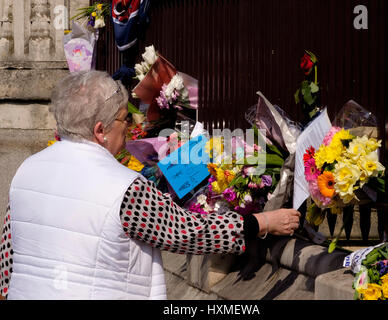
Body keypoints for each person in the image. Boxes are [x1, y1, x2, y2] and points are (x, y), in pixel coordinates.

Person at [0, 70, 300, 300]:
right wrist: (261, 222)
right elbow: (188, 232)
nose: (130, 127)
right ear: (100, 130)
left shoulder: (27, 170)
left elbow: (7, 259)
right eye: (123, 120)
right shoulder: (124, 187)